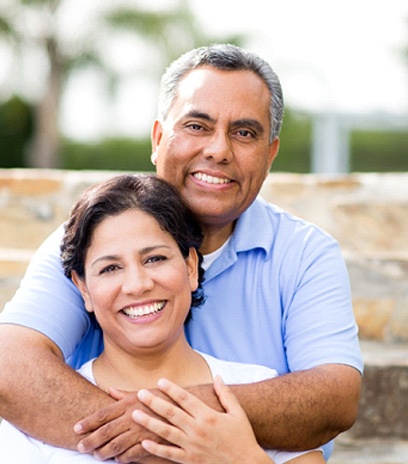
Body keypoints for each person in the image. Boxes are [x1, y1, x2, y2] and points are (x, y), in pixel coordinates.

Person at [0, 44, 363, 463]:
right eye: (196, 126)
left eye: (244, 133)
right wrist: (161, 442)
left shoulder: (304, 254)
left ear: (271, 154)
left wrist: (176, 424)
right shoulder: (89, 239)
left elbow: (334, 396)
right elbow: (11, 365)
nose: (218, 150)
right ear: (158, 138)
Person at [0, 174, 324, 464]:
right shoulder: (34, 422)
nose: (138, 284)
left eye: (155, 258)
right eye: (110, 268)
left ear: (190, 267)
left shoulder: (257, 394)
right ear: (82, 288)